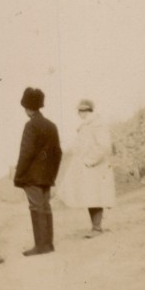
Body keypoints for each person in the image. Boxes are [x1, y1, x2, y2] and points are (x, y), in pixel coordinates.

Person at [56, 99, 116, 238]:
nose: (78, 113)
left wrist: (89, 161)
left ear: (86, 111)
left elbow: (104, 146)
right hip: (88, 168)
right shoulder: (87, 125)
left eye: (80, 111)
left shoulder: (97, 124)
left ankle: (97, 228)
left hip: (96, 167)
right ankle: (95, 227)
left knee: (96, 196)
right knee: (90, 196)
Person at [13, 87, 62, 256]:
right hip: (47, 176)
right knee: (45, 206)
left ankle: (40, 246)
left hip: (32, 177)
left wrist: (18, 175)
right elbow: (58, 153)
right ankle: (48, 244)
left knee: (36, 207)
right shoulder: (51, 126)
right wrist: (52, 175)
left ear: (27, 108)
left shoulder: (30, 125)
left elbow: (25, 153)